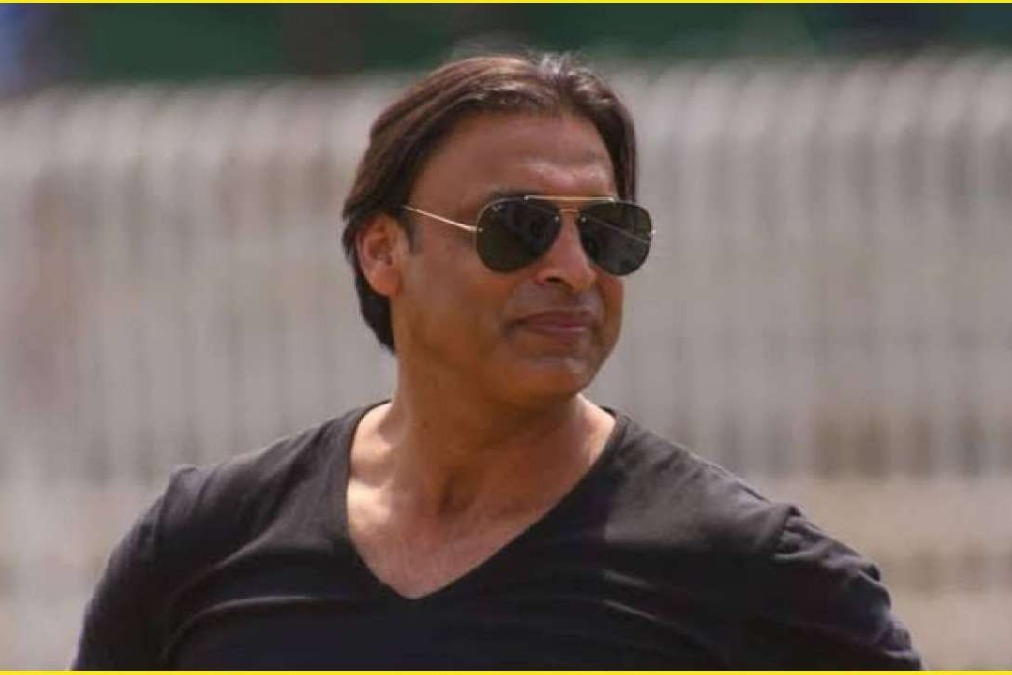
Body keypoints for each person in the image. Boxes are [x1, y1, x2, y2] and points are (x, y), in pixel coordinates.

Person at [74, 52, 921, 669]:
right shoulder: (201, 546)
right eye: (517, 225)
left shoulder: (750, 573)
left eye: (605, 231)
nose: (573, 269)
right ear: (383, 251)